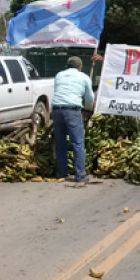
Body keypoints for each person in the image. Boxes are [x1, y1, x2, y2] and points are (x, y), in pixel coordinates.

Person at [52, 56, 94, 186]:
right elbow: (89, 98)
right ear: (80, 67)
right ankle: (80, 175)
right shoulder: (84, 77)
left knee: (60, 141)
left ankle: (62, 172)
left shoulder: (59, 75)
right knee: (77, 142)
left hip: (56, 110)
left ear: (66, 66)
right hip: (72, 110)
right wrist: (88, 109)